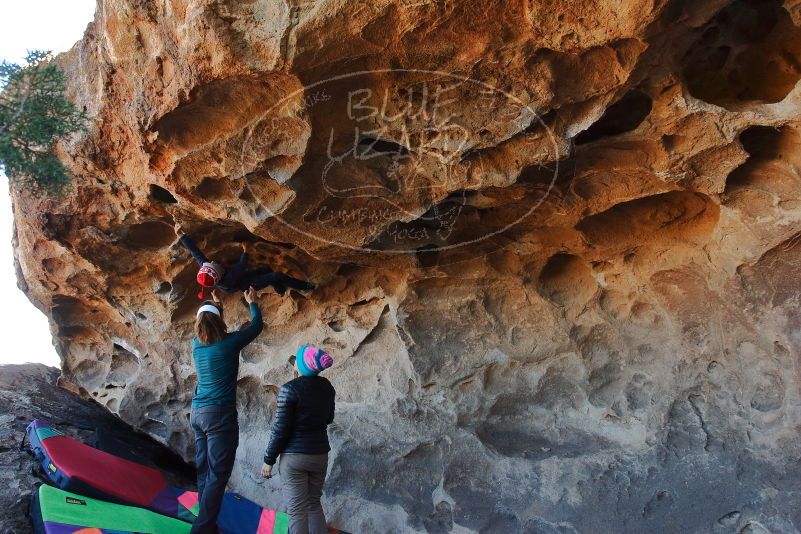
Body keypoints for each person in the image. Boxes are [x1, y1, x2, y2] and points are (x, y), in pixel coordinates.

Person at [190, 287, 264, 534]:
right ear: (218, 320)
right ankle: (201, 529)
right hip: (219, 416)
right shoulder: (230, 343)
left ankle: (206, 524)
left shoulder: (196, 346)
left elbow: (210, 322)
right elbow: (256, 326)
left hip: (197, 414)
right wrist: (252, 302)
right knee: (218, 476)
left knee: (204, 471)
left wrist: (216, 303)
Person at [261, 345, 336, 534]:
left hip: (294, 458)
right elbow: (329, 419)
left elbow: (280, 430)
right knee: (313, 504)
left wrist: (268, 460)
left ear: (302, 366)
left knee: (296, 511)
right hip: (320, 455)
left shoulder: (289, 390)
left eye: (297, 359)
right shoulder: (327, 387)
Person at [174, 223, 316, 299]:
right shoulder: (228, 279)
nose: (213, 262)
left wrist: (181, 235)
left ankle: (280, 289)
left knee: (267, 270)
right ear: (218, 274)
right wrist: (246, 250)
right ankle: (305, 287)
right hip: (249, 284)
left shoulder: (208, 268)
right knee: (276, 275)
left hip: (245, 277)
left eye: (210, 264)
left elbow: (195, 252)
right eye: (214, 265)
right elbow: (241, 266)